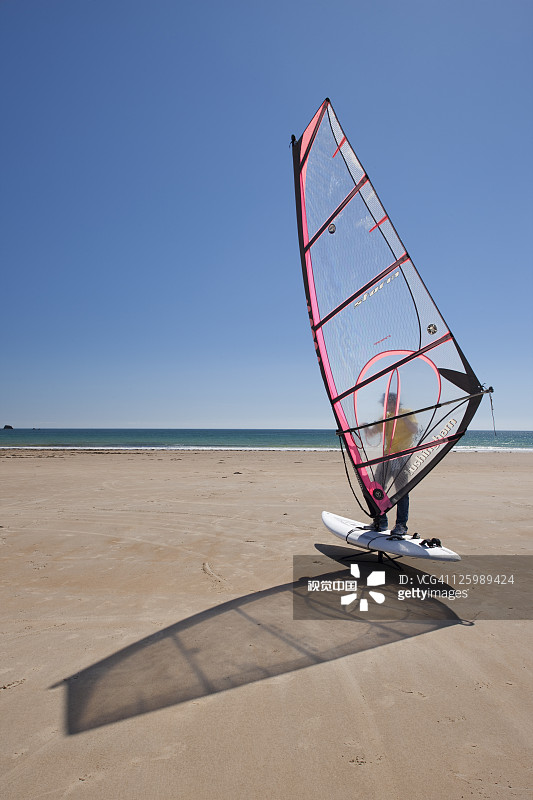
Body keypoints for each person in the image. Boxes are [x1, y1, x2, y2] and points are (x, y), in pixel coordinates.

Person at [372, 392, 418, 535]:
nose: (384, 406)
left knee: (401, 491)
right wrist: (364, 428)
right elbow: (373, 431)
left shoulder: (407, 412)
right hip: (387, 457)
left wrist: (403, 418)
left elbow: (414, 430)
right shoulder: (386, 417)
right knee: (377, 488)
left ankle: (401, 525)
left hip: (402, 457)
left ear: (393, 402)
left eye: (385, 403)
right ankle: (381, 521)